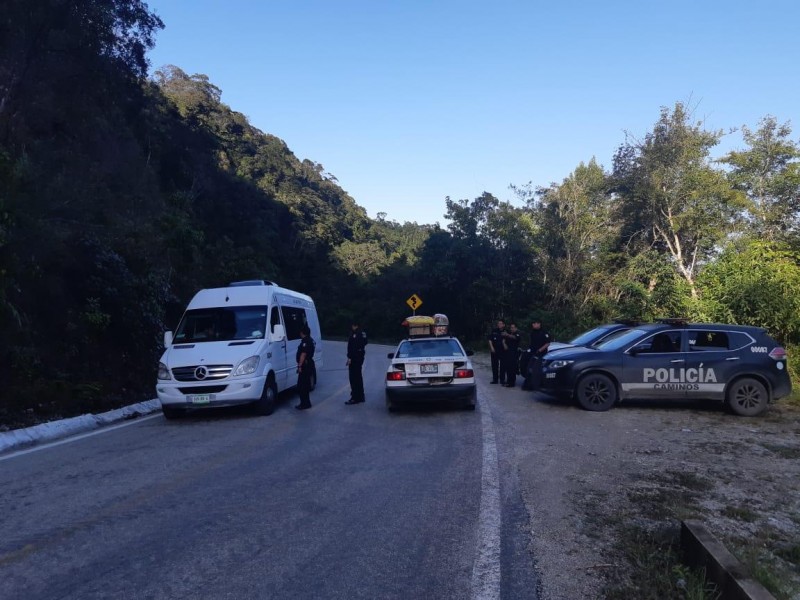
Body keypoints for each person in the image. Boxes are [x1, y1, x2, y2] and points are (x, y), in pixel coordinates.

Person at [522, 318, 551, 391]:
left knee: (536, 370)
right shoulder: (533, 332)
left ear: (539, 324)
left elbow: (547, 343)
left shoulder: (544, 333)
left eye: (534, 323)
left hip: (541, 354)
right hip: (532, 353)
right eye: (533, 323)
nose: (533, 325)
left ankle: (536, 386)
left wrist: (540, 350)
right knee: (529, 369)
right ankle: (528, 385)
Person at [345, 320, 368, 404]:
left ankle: (355, 397)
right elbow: (365, 342)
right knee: (358, 377)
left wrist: (350, 358)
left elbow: (353, 347)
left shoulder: (355, 334)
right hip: (360, 357)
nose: (351, 327)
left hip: (355, 358)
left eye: (352, 325)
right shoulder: (363, 333)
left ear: (355, 325)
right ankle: (361, 396)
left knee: (353, 378)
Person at [295, 324, 315, 410]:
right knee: (305, 385)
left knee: (301, 386)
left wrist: (299, 366)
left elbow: (303, 354)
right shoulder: (310, 340)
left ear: (302, 332)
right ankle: (306, 403)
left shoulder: (305, 341)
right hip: (309, 364)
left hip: (305, 365)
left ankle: (304, 403)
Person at [501, 323, 522, 387]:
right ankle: (508, 381)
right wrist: (503, 342)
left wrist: (507, 334)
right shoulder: (509, 335)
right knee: (508, 368)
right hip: (508, 353)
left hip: (514, 354)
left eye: (513, 327)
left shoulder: (517, 334)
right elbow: (505, 345)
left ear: (516, 328)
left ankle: (512, 383)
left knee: (513, 368)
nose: (512, 329)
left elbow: (515, 338)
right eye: (511, 328)